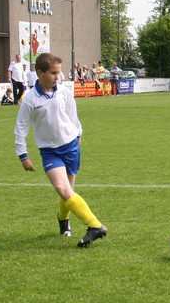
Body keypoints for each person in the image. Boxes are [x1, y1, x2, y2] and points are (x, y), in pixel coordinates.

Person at [14, 52, 108, 247]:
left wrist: (78, 135)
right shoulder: (30, 99)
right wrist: (23, 155)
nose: (58, 77)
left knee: (67, 191)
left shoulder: (64, 92)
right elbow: (20, 129)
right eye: (53, 73)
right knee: (61, 188)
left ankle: (63, 221)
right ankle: (95, 226)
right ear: (40, 73)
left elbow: (72, 116)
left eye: (59, 72)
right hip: (50, 152)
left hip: (71, 146)